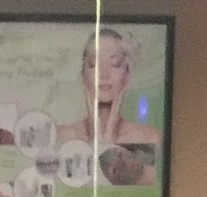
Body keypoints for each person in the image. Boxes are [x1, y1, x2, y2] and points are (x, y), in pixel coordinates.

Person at [57, 28, 159, 171]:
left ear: (127, 75)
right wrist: (95, 140)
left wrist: (108, 144)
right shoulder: (60, 137)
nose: (104, 74)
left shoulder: (148, 138)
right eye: (93, 64)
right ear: (83, 75)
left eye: (115, 64)